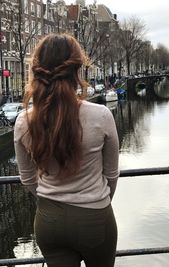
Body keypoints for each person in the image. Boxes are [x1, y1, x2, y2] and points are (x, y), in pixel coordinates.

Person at [14, 33, 119, 267]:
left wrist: (52, 199)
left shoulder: (23, 122)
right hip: (95, 217)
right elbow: (111, 176)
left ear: (36, 70)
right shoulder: (101, 116)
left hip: (49, 221)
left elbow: (28, 178)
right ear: (77, 70)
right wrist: (97, 202)